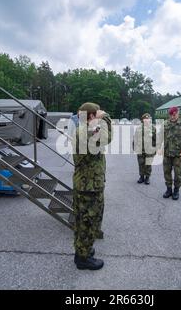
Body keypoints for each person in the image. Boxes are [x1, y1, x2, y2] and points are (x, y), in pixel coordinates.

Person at [72, 102, 112, 270]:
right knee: (88, 222)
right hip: (89, 186)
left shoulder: (83, 129)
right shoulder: (87, 132)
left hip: (85, 183)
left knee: (82, 221)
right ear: (91, 117)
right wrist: (106, 118)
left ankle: (82, 251)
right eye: (96, 114)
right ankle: (83, 258)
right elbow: (108, 137)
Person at [159, 106, 181, 200]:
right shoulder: (165, 124)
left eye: (174, 114)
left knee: (178, 174)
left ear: (178, 113)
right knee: (166, 172)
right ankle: (169, 189)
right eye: (171, 115)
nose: (173, 116)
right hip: (166, 153)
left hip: (178, 154)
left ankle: (176, 190)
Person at [133, 113, 157, 185]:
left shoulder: (153, 128)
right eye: (145, 119)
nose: (146, 120)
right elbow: (135, 138)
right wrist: (134, 147)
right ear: (142, 120)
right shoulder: (139, 128)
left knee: (148, 164)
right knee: (141, 163)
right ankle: (141, 176)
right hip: (140, 149)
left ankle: (147, 177)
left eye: (148, 119)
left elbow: (156, 139)